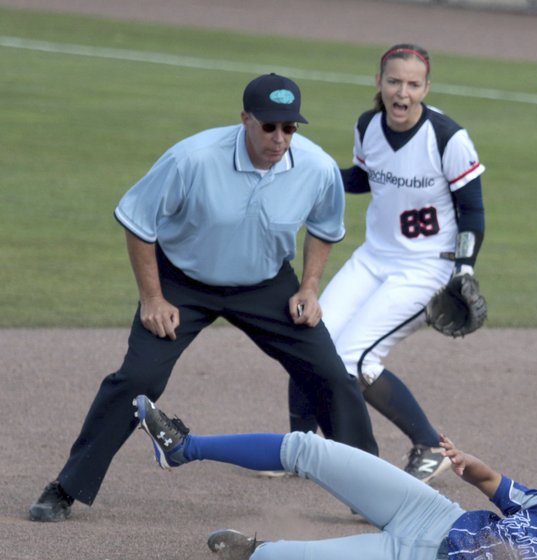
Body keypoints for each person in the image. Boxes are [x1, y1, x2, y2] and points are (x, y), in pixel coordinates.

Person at [29, 74, 378, 523]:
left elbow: (324, 229)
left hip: (266, 284)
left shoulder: (317, 168)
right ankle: (65, 488)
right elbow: (138, 222)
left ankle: (372, 493)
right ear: (245, 119)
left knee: (332, 375)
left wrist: (309, 287)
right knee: (137, 378)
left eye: (289, 128)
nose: (279, 138)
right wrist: (152, 297)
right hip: (183, 284)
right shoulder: (192, 158)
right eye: (268, 126)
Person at [132, 395, 537, 560]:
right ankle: (183, 448)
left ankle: (252, 552)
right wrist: (470, 466)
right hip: (428, 511)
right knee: (310, 448)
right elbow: (495, 482)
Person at [287, 43, 486, 483]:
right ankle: (299, 446)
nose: (403, 92)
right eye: (394, 81)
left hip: (426, 268)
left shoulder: (447, 138)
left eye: (413, 84)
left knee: (358, 360)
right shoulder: (368, 126)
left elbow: (472, 210)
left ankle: (430, 445)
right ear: (379, 83)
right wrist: (314, 175)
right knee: (309, 334)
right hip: (372, 258)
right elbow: (362, 178)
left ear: (426, 88)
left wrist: (465, 268)